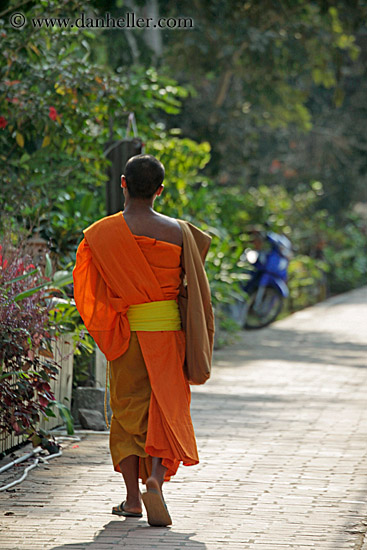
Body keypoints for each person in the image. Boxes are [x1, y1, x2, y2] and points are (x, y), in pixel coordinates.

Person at [73, 154, 214, 527]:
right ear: (160, 190)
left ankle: (133, 499)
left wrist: (114, 315)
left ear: (123, 183)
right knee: (163, 408)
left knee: (127, 412)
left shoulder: (100, 235)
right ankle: (156, 479)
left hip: (127, 336)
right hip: (167, 336)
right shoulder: (181, 233)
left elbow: (90, 292)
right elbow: (193, 290)